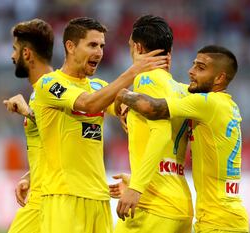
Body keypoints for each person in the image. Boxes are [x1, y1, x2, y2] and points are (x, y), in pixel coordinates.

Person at [10, 17, 169, 233]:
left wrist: (152, 91)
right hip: (63, 198)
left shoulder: (99, 86)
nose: (99, 52)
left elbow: (125, 108)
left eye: (102, 46)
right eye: (92, 45)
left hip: (99, 198)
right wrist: (133, 72)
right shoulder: (49, 84)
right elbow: (88, 104)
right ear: (71, 46)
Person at [114, 45, 249, 232]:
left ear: (219, 78)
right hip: (223, 215)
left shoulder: (208, 103)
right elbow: (180, 91)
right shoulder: (225, 105)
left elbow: (153, 108)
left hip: (219, 221)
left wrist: (122, 94)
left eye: (200, 68)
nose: (191, 71)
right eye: (193, 65)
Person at [109, 15, 193, 233]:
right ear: (170, 53)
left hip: (153, 207)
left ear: (137, 48)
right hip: (179, 204)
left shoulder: (147, 80)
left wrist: (136, 188)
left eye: (130, 47)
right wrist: (137, 178)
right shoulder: (182, 90)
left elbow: (161, 134)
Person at [3, 18, 54, 233]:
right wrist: (31, 176)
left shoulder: (53, 87)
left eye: (15, 49)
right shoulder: (39, 91)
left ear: (27, 54)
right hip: (40, 194)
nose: (12, 56)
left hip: (51, 198)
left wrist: (28, 113)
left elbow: (67, 132)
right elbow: (51, 144)